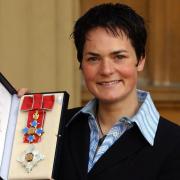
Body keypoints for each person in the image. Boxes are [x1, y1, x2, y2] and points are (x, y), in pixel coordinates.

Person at [19, 3, 180, 180]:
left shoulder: (174, 144)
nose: (106, 70)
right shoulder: (53, 127)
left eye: (119, 57)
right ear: (81, 64)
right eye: (93, 58)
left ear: (140, 60)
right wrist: (15, 124)